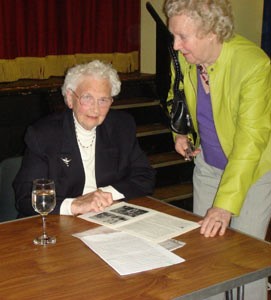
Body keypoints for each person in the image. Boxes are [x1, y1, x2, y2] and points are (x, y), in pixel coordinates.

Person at [164, 0, 271, 299]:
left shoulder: (254, 64)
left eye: (182, 36)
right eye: (173, 35)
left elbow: (251, 141)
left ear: (212, 32)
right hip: (208, 165)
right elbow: (177, 95)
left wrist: (224, 205)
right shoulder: (187, 57)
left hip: (250, 174)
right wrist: (180, 133)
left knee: (245, 260)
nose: (175, 44)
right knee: (206, 254)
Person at [14, 60, 156, 217]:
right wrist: (75, 205)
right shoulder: (43, 134)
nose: (95, 108)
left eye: (103, 100)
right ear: (70, 98)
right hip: (59, 222)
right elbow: (26, 198)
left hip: (107, 216)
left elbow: (145, 177)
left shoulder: (121, 126)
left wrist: (104, 195)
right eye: (87, 98)